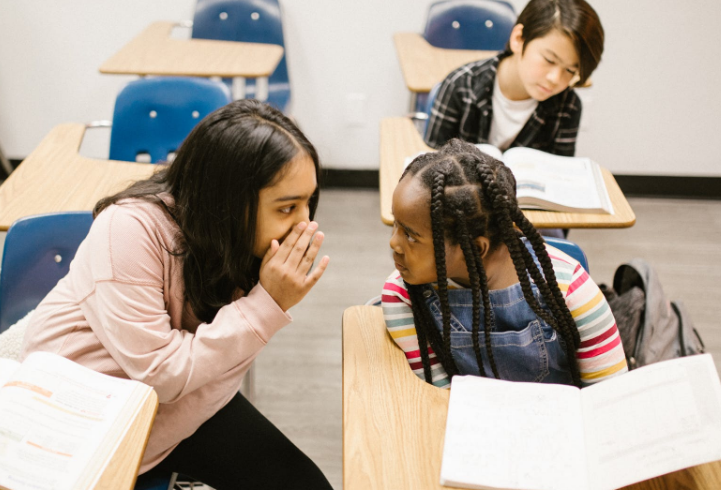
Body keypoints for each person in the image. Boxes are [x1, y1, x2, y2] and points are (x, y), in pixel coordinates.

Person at [21, 100, 333, 489]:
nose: (305, 224)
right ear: (228, 202)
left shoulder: (244, 243)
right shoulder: (129, 228)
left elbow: (217, 368)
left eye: (308, 202)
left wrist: (263, 305)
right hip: (82, 400)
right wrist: (267, 305)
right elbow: (162, 375)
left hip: (183, 396)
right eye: (287, 208)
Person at [381, 139, 627, 388]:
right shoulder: (401, 297)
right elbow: (440, 395)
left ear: (475, 249)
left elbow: (608, 397)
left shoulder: (572, 291)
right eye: (395, 224)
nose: (394, 243)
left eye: (411, 235)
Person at [424, 0, 604, 157]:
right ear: (518, 39)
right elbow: (428, 168)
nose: (555, 79)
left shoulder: (568, 106)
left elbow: (559, 176)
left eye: (571, 71)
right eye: (549, 60)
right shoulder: (460, 86)